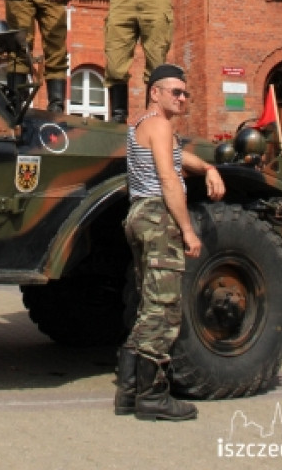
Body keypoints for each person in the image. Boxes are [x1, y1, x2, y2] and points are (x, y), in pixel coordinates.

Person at [116, 63, 225, 421]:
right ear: (155, 92)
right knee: (164, 308)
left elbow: (177, 157)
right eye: (175, 91)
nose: (182, 97)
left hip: (138, 216)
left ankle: (129, 392)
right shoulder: (160, 125)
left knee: (148, 304)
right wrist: (189, 230)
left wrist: (207, 168)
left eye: (185, 92)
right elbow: (167, 176)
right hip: (157, 217)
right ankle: (152, 396)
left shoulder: (141, 125)